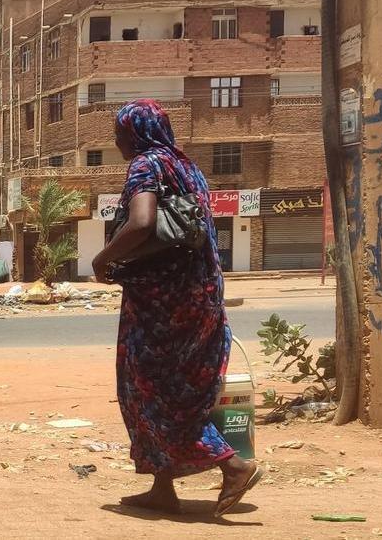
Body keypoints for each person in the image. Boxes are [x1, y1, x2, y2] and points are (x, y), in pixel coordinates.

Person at [92, 100, 263, 516]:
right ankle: (162, 486)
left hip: (163, 306)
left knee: (152, 390)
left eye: (120, 134)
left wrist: (102, 259)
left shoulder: (146, 165)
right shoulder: (187, 167)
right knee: (177, 386)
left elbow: (143, 222)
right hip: (199, 295)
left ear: (137, 134)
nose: (117, 143)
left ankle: (233, 464)